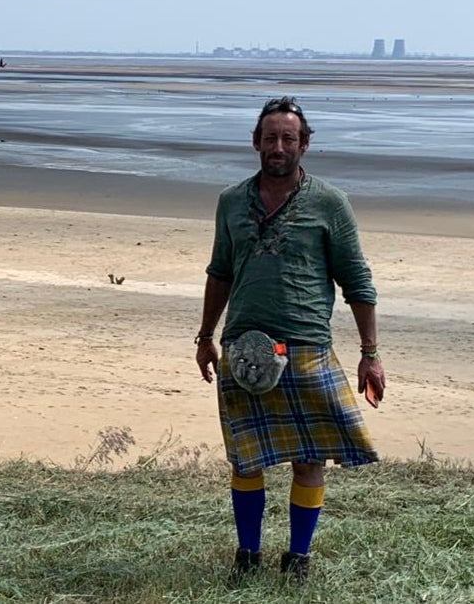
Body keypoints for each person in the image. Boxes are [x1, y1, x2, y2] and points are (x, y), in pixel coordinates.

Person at [195, 96, 386, 583]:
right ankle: (247, 555)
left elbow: (357, 281)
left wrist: (370, 355)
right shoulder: (231, 201)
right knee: (246, 460)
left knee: (308, 460)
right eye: (270, 137)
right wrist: (205, 337)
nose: (278, 146)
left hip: (306, 350)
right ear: (255, 142)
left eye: (288, 137)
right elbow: (219, 273)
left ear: (304, 144)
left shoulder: (329, 202)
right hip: (243, 351)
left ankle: (298, 557)